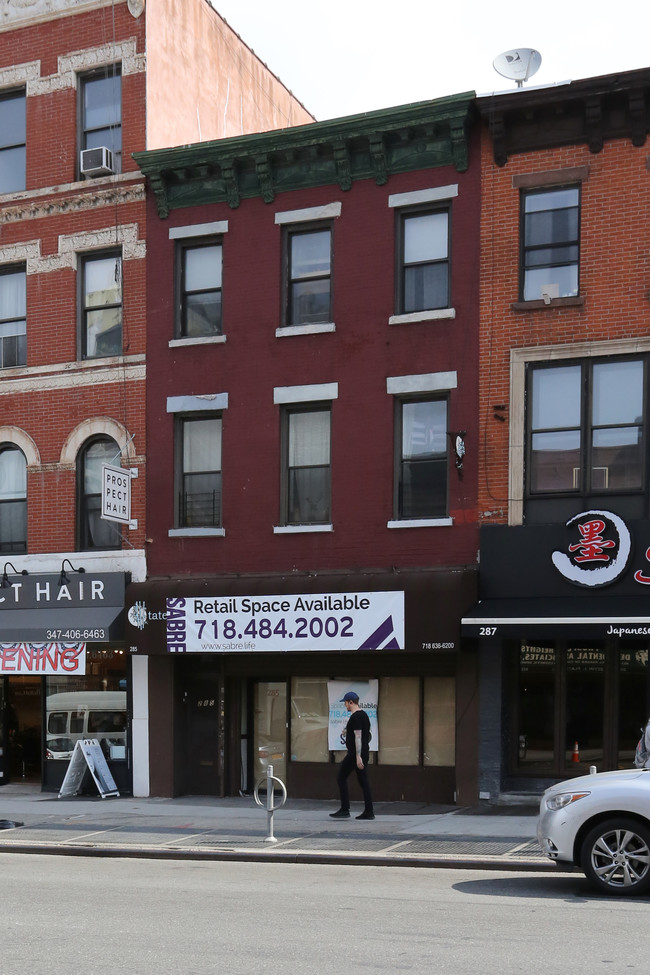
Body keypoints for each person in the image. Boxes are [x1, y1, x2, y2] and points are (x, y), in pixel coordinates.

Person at [330, 691, 374, 820]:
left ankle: (345, 809)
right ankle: (369, 811)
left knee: (341, 777)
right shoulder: (364, 715)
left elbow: (358, 737)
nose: (345, 705)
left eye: (346, 702)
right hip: (360, 753)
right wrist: (347, 732)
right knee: (363, 782)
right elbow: (366, 734)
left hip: (355, 754)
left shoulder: (356, 717)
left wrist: (358, 756)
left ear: (351, 702)